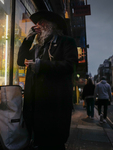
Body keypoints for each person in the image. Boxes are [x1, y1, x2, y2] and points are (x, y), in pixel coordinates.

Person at [17, 11, 78, 150]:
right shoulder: (38, 47)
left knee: (53, 143)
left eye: (41, 23)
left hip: (54, 105)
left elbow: (70, 66)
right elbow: (21, 61)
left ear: (51, 26)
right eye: (36, 24)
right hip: (34, 105)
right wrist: (28, 39)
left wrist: (41, 65)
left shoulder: (66, 42)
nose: (37, 26)